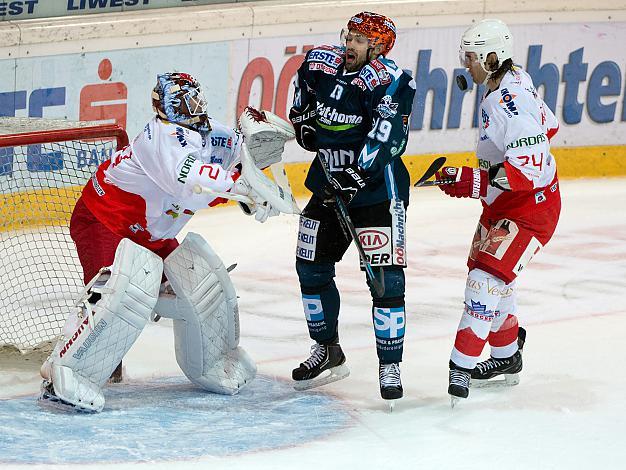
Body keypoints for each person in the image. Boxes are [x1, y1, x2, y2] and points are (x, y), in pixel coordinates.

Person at [39, 72, 292, 412]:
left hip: (152, 232)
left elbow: (237, 162)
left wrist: (255, 171)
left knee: (196, 287)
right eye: (184, 101)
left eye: (195, 98)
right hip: (105, 220)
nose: (193, 106)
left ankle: (214, 362)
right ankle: (63, 375)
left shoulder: (213, 133)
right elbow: (195, 179)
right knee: (117, 296)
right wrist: (242, 187)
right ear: (166, 106)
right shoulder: (159, 138)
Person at [288, 12, 416, 401]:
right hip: (328, 185)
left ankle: (389, 363)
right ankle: (327, 348)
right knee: (309, 267)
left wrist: (358, 173)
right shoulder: (319, 62)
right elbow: (302, 97)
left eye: (360, 40)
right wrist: (303, 122)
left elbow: (389, 139)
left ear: (377, 48)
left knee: (385, 281)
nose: (350, 45)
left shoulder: (392, 80)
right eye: (350, 36)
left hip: (377, 192)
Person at [437, 20, 561, 402]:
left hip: (530, 209)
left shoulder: (511, 100)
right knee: (491, 274)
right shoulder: (508, 83)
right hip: (505, 203)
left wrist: (476, 180)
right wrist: (485, 179)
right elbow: (550, 128)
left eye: (471, 57)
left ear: (493, 57)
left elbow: (531, 169)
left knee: (486, 280)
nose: (466, 65)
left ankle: (462, 366)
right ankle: (506, 356)